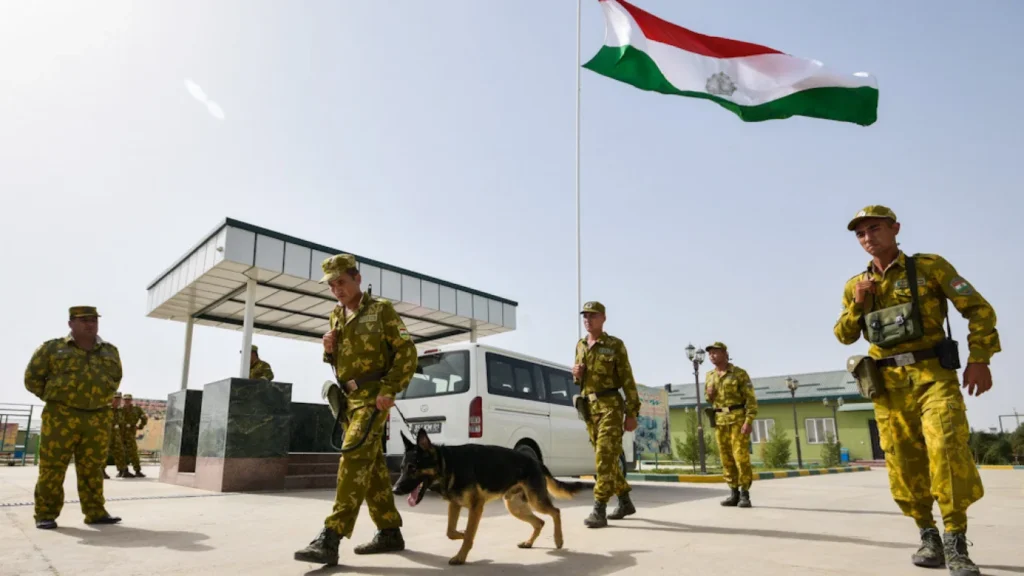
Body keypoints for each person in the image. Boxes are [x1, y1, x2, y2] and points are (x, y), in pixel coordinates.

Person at [834, 205, 999, 576]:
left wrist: (980, 358)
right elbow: (844, 335)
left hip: (932, 376)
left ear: (895, 229)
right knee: (903, 463)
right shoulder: (854, 285)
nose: (867, 238)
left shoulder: (929, 267)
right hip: (888, 386)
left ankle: (956, 540)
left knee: (946, 448)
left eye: (874, 229)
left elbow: (978, 309)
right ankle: (928, 536)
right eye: (860, 234)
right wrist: (857, 305)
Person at [293, 254, 418, 566]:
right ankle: (389, 531)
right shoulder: (335, 315)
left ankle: (330, 536)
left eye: (342, 282)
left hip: (373, 397)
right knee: (372, 467)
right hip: (347, 401)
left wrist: (390, 388)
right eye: (332, 284)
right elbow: (339, 362)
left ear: (357, 278)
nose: (337, 289)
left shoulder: (381, 310)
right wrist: (328, 350)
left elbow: (406, 350)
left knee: (351, 456)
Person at [24, 306, 123, 529]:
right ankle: (45, 514)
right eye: (83, 320)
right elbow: (32, 378)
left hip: (97, 417)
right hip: (61, 415)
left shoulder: (110, 351)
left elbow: (116, 378)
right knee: (52, 467)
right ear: (71, 323)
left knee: (93, 468)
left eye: (93, 320)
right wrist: (56, 398)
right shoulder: (52, 348)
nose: (90, 324)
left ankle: (95, 512)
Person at [572, 301, 640, 528]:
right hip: (589, 409)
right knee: (609, 460)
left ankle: (599, 509)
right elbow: (580, 380)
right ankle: (625, 501)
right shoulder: (580, 345)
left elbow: (628, 381)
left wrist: (632, 412)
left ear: (603, 318)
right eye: (585, 316)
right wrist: (576, 374)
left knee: (603, 457)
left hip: (610, 406)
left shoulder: (614, 345)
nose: (587, 319)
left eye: (592, 316)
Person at [703, 342, 758, 508]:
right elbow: (709, 399)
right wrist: (709, 395)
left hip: (738, 419)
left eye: (715, 352)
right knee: (726, 459)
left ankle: (745, 494)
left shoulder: (739, 373)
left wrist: (749, 420)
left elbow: (751, 399)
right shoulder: (709, 375)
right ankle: (733, 492)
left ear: (725, 354)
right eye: (710, 353)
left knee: (740, 457)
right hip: (720, 421)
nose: (712, 356)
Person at [121, 394, 148, 478]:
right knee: (121, 453)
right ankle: (123, 471)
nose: (127, 401)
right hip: (120, 433)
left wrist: (140, 426)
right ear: (123, 400)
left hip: (131, 433)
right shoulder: (120, 410)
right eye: (125, 399)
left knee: (133, 452)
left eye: (128, 399)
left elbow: (144, 418)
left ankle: (137, 470)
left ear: (131, 400)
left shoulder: (137, 409)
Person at [105, 392, 128, 479]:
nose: (117, 400)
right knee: (104, 453)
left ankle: (122, 470)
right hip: (106, 434)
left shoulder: (120, 411)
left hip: (116, 434)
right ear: (111, 398)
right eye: (116, 398)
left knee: (120, 452)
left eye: (119, 399)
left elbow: (122, 423)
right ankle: (101, 471)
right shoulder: (106, 409)